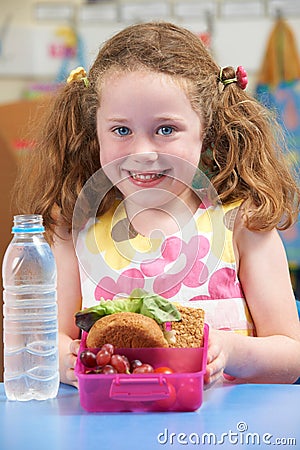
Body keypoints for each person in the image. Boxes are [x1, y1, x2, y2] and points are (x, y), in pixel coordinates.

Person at [13, 22, 300, 388]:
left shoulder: (242, 224)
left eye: (166, 129)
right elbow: (46, 343)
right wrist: (64, 362)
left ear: (205, 130)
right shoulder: (74, 230)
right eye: (121, 130)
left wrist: (231, 350)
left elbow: (291, 355)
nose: (143, 152)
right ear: (95, 131)